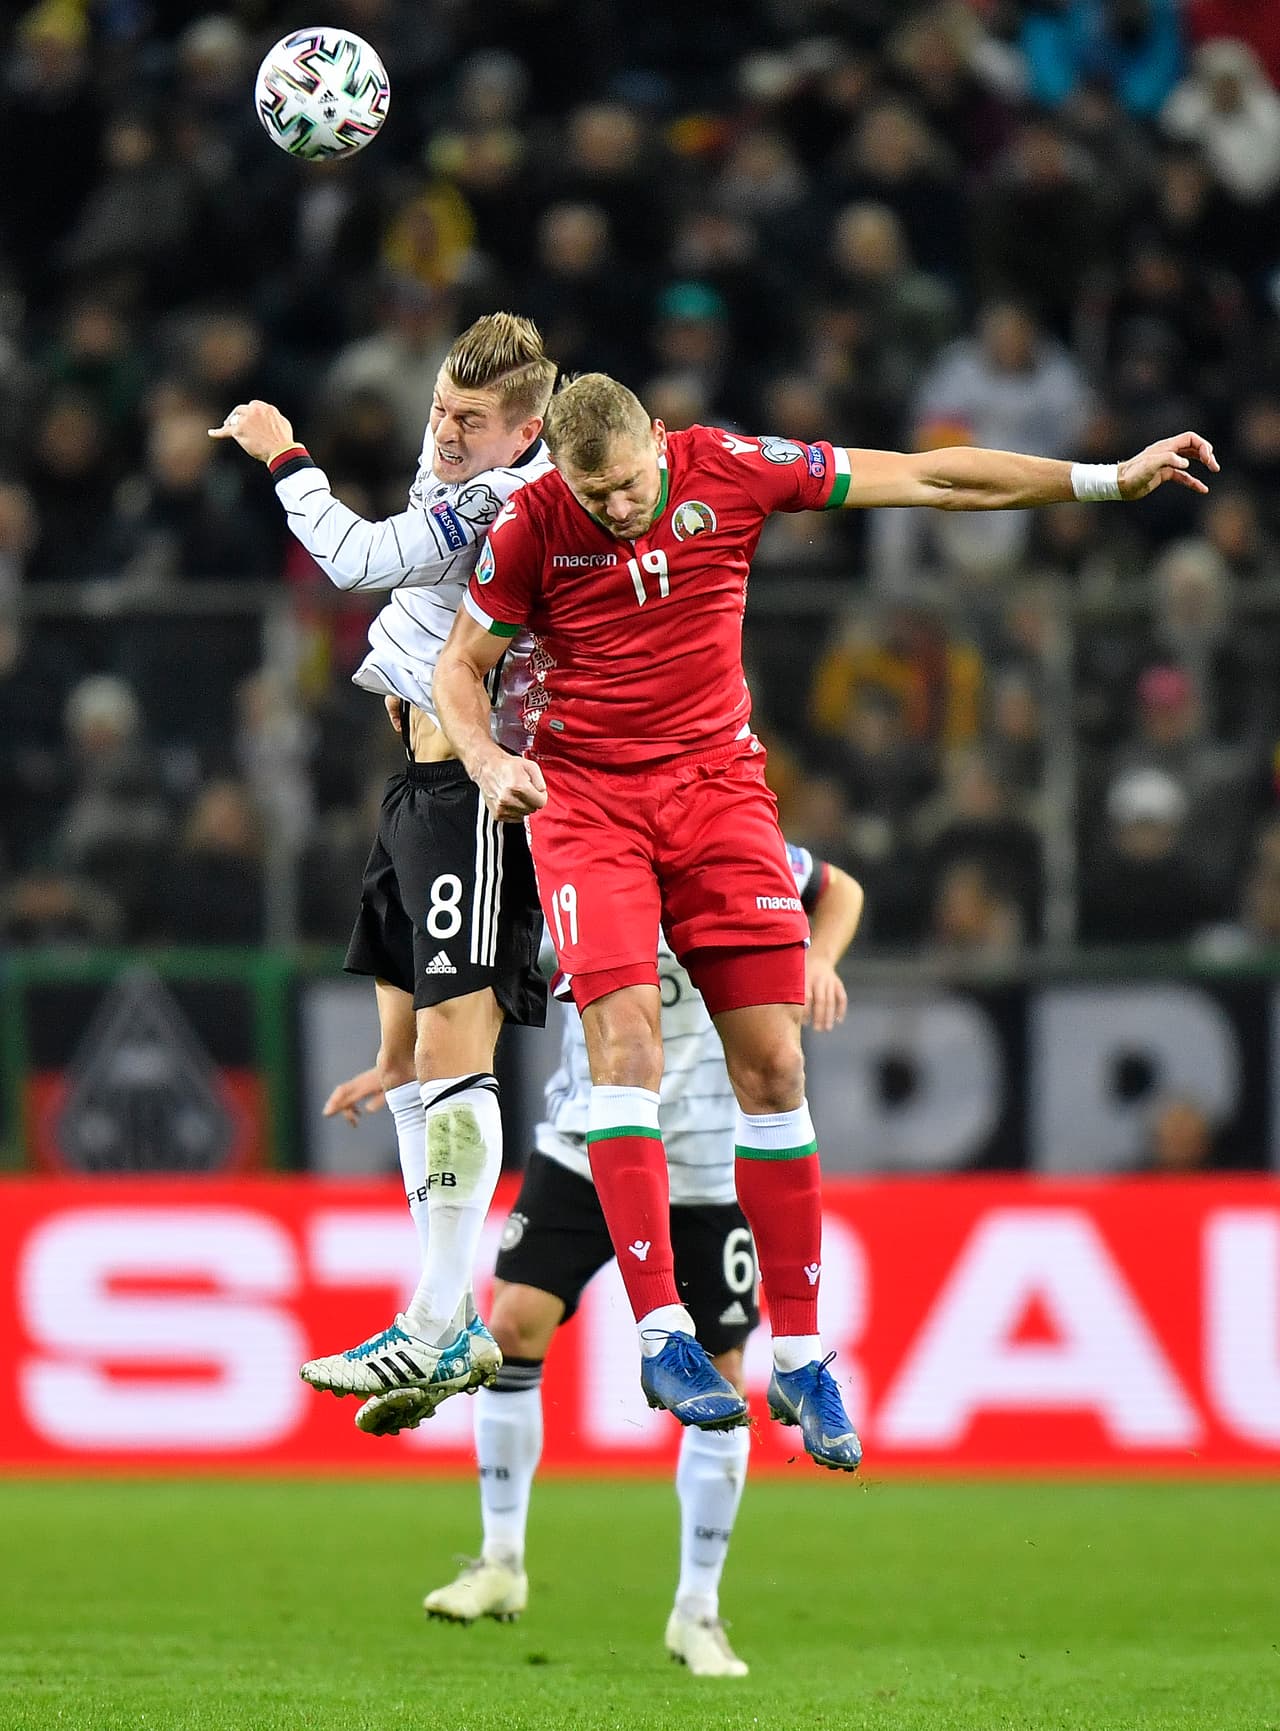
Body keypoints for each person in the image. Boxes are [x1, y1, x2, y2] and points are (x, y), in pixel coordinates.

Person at [433, 370, 1217, 1471]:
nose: (612, 509)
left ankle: (799, 1357)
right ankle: (661, 1335)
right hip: (588, 803)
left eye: (623, 485)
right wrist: (484, 757)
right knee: (626, 1051)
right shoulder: (530, 525)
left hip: (716, 791)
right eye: (589, 490)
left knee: (774, 1071)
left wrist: (1101, 480)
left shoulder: (732, 469)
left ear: (657, 443)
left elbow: (932, 479)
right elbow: (458, 667)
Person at [324, 844, 864, 1675]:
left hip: (708, 1165)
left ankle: (698, 1610)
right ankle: (500, 1561)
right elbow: (488, 978)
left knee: (719, 1380)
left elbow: (841, 890)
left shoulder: (733, 850)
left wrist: (819, 960)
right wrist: (401, 1062)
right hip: (585, 1144)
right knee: (510, 1322)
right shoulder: (577, 859)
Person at [209, 314, 558, 1406]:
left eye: (468, 422)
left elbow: (356, 558)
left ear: (526, 431)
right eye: (437, 411)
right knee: (408, 1065)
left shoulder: (505, 503)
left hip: (470, 787)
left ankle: (438, 1322)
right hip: (413, 780)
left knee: (457, 1053)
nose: (443, 436)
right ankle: (440, 1315)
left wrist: (283, 452)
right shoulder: (464, 460)